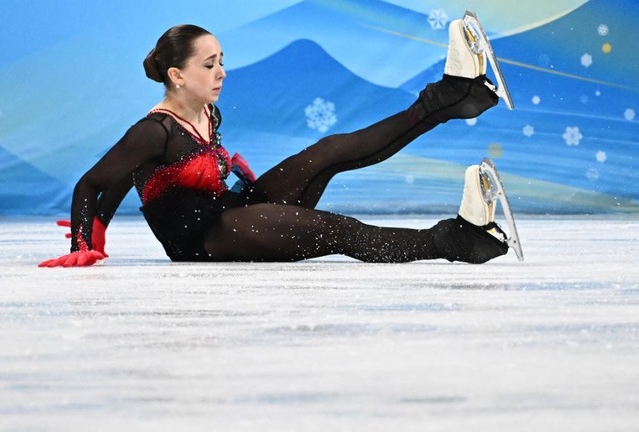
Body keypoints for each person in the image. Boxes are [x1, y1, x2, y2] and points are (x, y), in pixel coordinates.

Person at [39, 18, 511, 267]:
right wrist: (88, 238)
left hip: (229, 210)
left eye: (222, 59)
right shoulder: (153, 131)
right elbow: (97, 180)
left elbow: (124, 181)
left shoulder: (206, 111)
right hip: (205, 241)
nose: (221, 71)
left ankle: (452, 97)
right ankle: (462, 240)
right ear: (177, 75)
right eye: (209, 65)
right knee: (340, 230)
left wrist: (100, 224)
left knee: (327, 151)